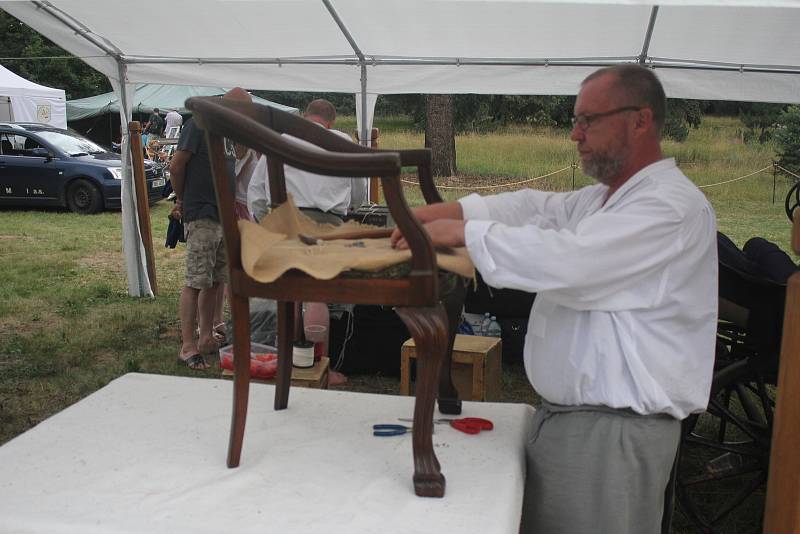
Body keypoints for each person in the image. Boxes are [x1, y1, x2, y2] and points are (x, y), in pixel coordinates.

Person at [391, 64, 718, 533]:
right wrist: (448, 210)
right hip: (584, 426)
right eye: (575, 120)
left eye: (588, 120)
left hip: (611, 434)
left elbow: (574, 261)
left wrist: (464, 233)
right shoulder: (608, 198)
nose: (574, 135)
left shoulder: (667, 206)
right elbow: (537, 209)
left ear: (640, 120)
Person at [247, 99, 359, 385]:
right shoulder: (343, 141)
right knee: (317, 295)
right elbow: (359, 193)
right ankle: (319, 367)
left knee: (292, 294)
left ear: (305, 117)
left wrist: (265, 223)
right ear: (330, 122)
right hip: (329, 222)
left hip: (287, 222)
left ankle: (289, 362)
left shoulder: (282, 139)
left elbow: (257, 193)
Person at [170, 88, 250, 369]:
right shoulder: (198, 125)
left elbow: (240, 156)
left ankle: (205, 337)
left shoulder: (226, 133)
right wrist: (181, 198)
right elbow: (177, 166)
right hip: (202, 212)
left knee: (216, 281)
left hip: (222, 215)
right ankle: (188, 346)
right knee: (196, 281)